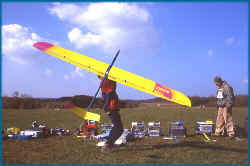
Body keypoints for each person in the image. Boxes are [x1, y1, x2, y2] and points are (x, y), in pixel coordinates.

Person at [98, 75, 123, 152]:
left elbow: (107, 94)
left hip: (111, 107)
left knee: (117, 127)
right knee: (118, 128)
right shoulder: (107, 81)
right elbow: (109, 93)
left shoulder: (104, 81)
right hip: (111, 107)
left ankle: (109, 143)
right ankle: (107, 145)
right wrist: (107, 106)